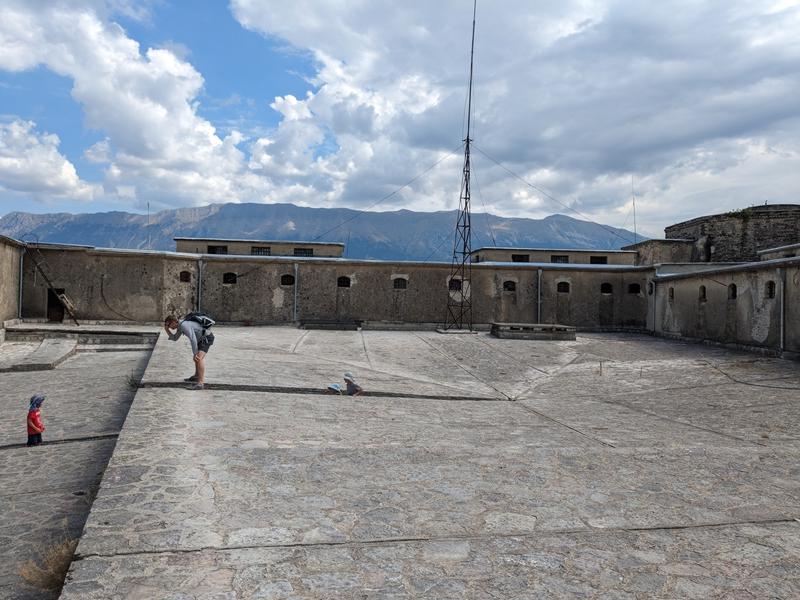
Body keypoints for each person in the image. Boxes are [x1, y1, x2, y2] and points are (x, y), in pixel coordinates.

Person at [164, 314, 214, 390]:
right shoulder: (181, 326)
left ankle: (200, 384)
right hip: (201, 339)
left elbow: (193, 338)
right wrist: (166, 330)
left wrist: (195, 353)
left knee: (198, 358)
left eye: (169, 325)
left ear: (174, 322)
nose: (169, 327)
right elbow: (174, 338)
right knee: (196, 357)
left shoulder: (184, 325)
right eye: (167, 326)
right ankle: (197, 376)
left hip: (206, 338)